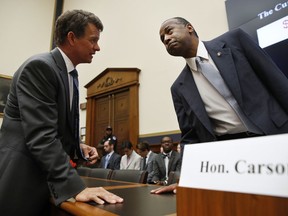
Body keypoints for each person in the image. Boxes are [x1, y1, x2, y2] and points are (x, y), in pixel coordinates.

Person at [0, 10, 123, 215]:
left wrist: (78, 146)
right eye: (93, 40)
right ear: (72, 38)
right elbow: (41, 135)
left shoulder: (70, 74)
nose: (97, 47)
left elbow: (54, 126)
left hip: (45, 183)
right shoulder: (40, 67)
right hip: (23, 181)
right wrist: (77, 188)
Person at [151, 16, 288, 194]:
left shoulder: (235, 41)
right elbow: (190, 137)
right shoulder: (178, 88)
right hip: (232, 158)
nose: (166, 39)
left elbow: (276, 82)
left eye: (169, 32)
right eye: (162, 40)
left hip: (276, 137)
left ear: (189, 28)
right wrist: (186, 179)